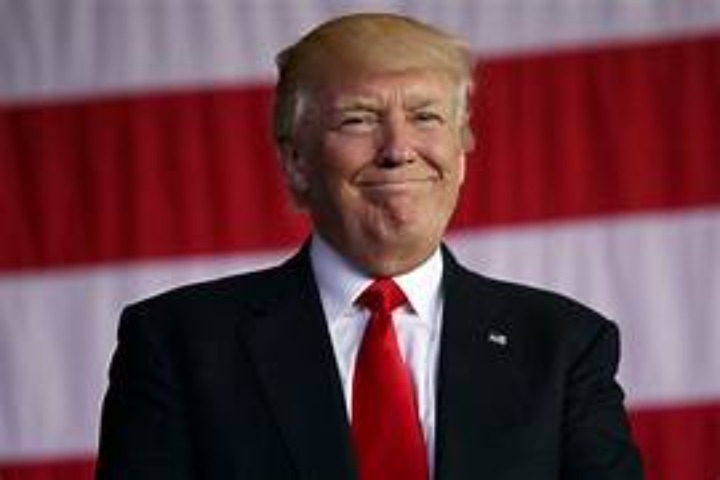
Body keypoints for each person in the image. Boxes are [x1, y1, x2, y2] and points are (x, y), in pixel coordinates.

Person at [96, 12, 644, 480]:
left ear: (460, 155)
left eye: (425, 117)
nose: (398, 149)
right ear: (296, 161)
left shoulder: (564, 346)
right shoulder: (178, 345)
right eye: (358, 120)